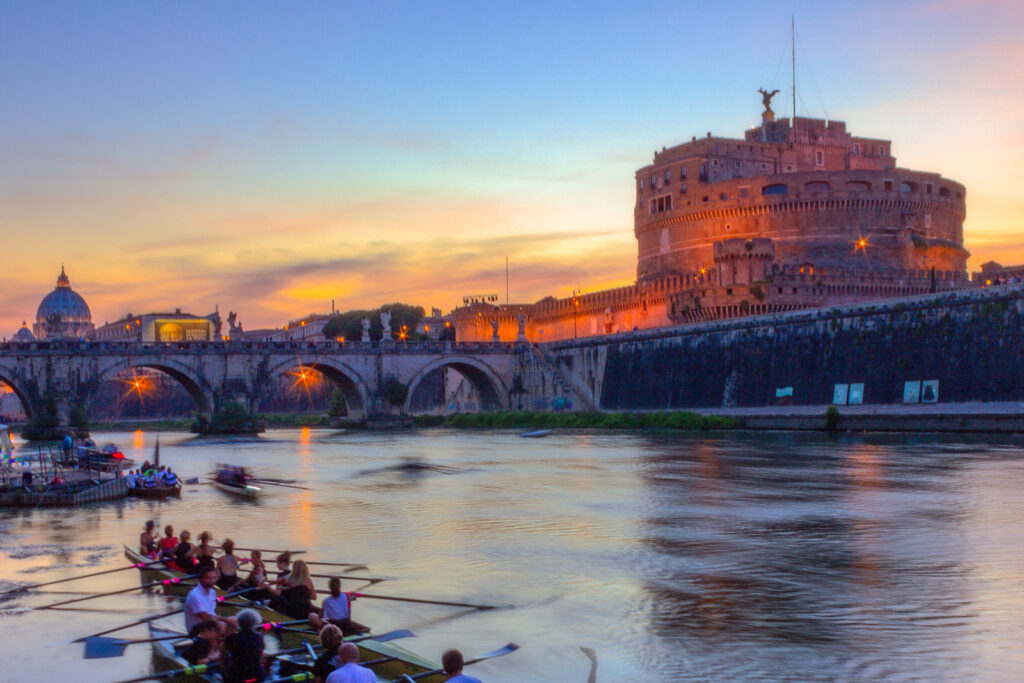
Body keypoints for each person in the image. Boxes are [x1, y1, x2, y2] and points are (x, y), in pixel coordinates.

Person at [221, 608, 266, 683]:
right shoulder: (259, 636)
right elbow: (262, 650)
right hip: (257, 674)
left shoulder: (232, 637)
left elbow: (223, 652)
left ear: (239, 623)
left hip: (237, 675)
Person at [184, 566, 223, 636]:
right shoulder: (195, 595)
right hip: (196, 629)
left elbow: (211, 612)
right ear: (201, 579)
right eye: (208, 577)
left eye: (214, 578)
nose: (212, 580)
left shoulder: (213, 592)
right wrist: (225, 620)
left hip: (208, 624)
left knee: (232, 620)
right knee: (224, 625)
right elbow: (204, 617)